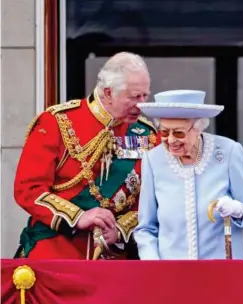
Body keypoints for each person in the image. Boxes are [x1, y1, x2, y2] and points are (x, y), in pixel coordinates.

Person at [13, 52, 159, 259]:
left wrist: (119, 229)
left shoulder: (148, 135)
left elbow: (152, 201)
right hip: (57, 252)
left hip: (116, 258)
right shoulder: (57, 122)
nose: (142, 104)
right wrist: (78, 217)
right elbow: (28, 189)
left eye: (145, 96)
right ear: (108, 92)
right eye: (135, 97)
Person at [133, 89, 243, 260]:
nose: (171, 140)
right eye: (165, 132)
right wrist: (153, 263)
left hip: (222, 273)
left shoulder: (228, 152)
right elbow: (146, 228)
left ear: (198, 128)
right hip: (172, 274)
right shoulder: (153, 159)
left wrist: (238, 209)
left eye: (179, 133)